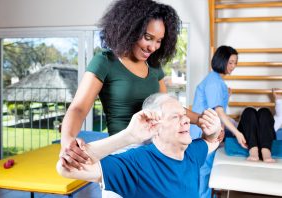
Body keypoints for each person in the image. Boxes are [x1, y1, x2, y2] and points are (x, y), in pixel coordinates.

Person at [60, 0, 218, 171]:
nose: (153, 47)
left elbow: (170, 108)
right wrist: (67, 140)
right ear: (130, 29)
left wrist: (201, 120)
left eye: (159, 41)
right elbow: (78, 108)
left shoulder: (154, 66)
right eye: (148, 38)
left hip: (157, 152)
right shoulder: (105, 61)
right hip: (123, 155)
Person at [57, 93, 222, 198]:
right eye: (175, 117)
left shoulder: (192, 152)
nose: (187, 120)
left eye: (184, 115)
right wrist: (129, 136)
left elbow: (212, 141)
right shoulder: (137, 163)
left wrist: (213, 129)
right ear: (154, 127)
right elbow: (66, 169)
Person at [190, 45, 246, 198]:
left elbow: (217, 109)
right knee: (204, 169)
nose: (233, 66)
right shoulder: (214, 82)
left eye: (235, 62)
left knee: (206, 167)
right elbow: (219, 112)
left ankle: (206, 195)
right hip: (202, 131)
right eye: (231, 62)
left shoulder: (217, 81)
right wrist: (237, 132)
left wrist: (227, 95)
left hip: (209, 130)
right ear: (222, 61)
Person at [236, 88, 282, 163]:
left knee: (264, 111)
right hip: (247, 139)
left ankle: (266, 150)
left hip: (266, 141)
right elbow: (225, 120)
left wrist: (278, 99)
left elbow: (280, 117)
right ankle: (253, 149)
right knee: (249, 111)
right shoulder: (239, 125)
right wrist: (225, 99)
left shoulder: (268, 125)